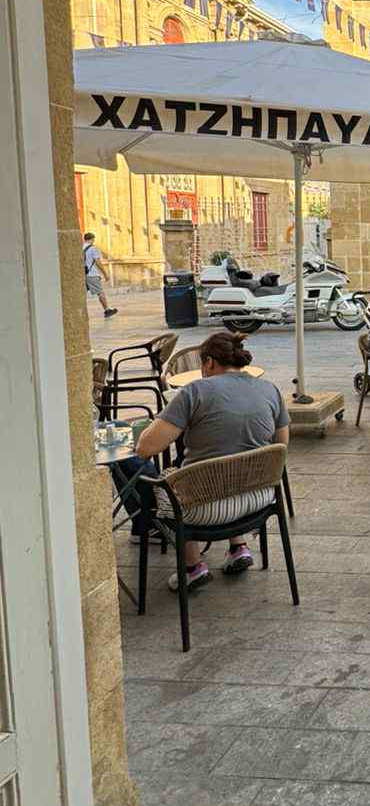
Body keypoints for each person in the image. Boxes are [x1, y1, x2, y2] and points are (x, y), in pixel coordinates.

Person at [110, 331, 289, 593]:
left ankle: (193, 566)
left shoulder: (195, 392)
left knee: (169, 480)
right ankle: (238, 547)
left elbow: (146, 447)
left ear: (209, 362)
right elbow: (281, 445)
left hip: (206, 509)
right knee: (230, 463)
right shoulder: (270, 389)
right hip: (259, 499)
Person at [83, 231, 118, 318]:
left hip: (83, 274)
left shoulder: (80, 247)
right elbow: (98, 262)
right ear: (92, 239)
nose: (94, 241)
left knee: (82, 293)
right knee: (100, 293)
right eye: (93, 239)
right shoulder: (93, 249)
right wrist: (105, 274)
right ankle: (107, 310)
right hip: (92, 274)